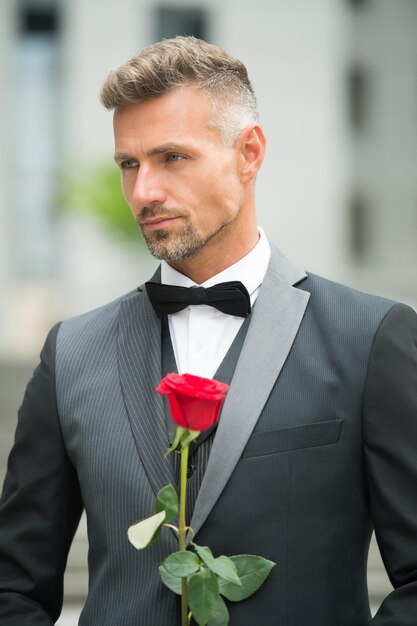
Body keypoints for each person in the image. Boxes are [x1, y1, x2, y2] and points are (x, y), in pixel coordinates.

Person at [0, 36, 416, 626]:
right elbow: (12, 586)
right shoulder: (70, 354)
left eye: (172, 157)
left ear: (249, 153)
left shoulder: (373, 339)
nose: (143, 191)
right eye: (128, 164)